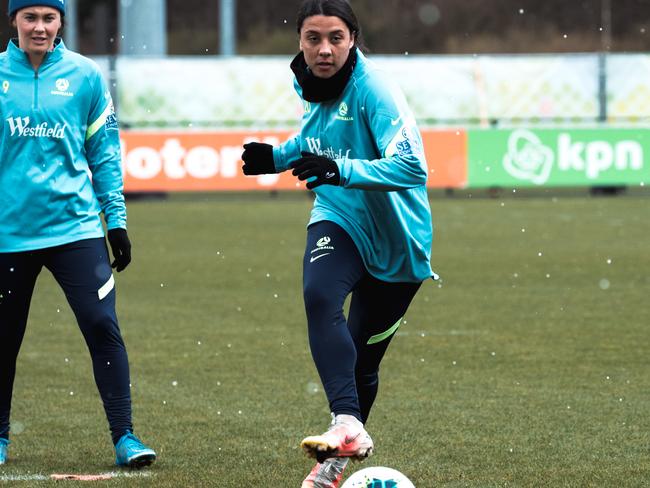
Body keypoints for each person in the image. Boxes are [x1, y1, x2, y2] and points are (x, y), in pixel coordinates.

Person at [241, 0, 435, 486]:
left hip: (399, 244)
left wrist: (341, 171)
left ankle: (335, 463)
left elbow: (413, 168)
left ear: (353, 39)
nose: (323, 49)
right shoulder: (308, 81)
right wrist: (279, 156)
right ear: (300, 41)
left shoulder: (376, 91)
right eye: (312, 38)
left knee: (362, 358)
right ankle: (345, 423)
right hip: (339, 216)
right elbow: (319, 137)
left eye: (335, 38)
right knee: (319, 294)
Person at [0, 0, 155, 468]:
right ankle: (0, 439)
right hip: (9, 234)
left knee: (102, 326)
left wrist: (117, 221)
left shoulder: (86, 76)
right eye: (31, 18)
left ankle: (125, 437)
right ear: (14, 21)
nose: (40, 27)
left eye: (49, 18)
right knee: (4, 339)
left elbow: (104, 152)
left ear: (61, 21)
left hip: (77, 229)